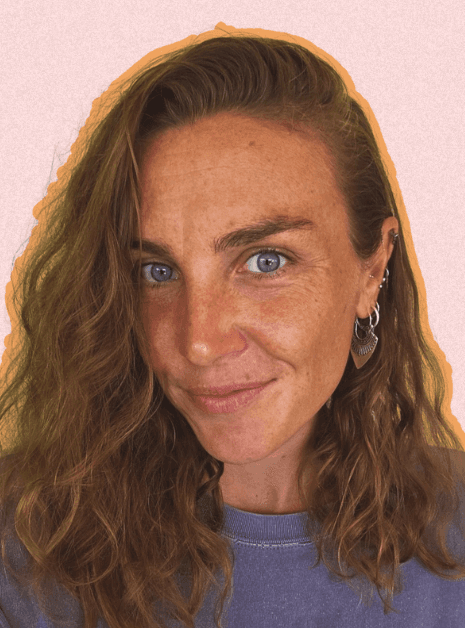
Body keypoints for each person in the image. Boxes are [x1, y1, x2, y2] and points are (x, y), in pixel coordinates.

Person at [0, 27, 464, 628]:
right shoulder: (23, 547)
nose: (199, 341)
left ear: (372, 270)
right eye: (157, 271)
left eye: (266, 261)